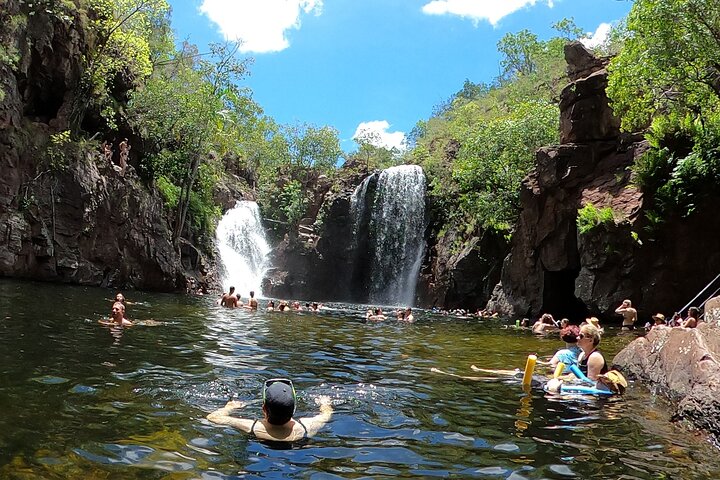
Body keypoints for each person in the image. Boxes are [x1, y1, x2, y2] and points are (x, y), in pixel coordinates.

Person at [206, 378, 333, 442]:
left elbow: (212, 417)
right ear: (294, 408)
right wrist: (324, 403)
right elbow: (327, 414)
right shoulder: (306, 427)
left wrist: (229, 408)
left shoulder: (252, 427)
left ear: (264, 409)